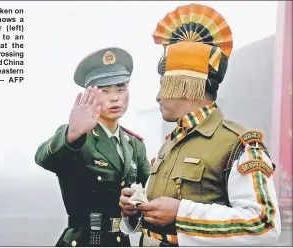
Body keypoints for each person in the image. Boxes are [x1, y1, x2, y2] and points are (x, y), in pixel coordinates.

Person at [119, 3, 281, 246]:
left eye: (163, 85)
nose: (158, 96)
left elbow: (264, 224)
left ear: (185, 85)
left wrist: (182, 213)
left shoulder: (238, 144)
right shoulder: (172, 143)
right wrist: (136, 211)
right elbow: (160, 221)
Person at [34, 47, 151, 247]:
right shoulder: (77, 137)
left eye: (121, 89)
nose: (115, 97)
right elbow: (44, 158)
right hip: (83, 240)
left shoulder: (134, 144)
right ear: (89, 95)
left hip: (120, 241)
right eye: (105, 91)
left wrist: (135, 208)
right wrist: (71, 134)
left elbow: (148, 193)